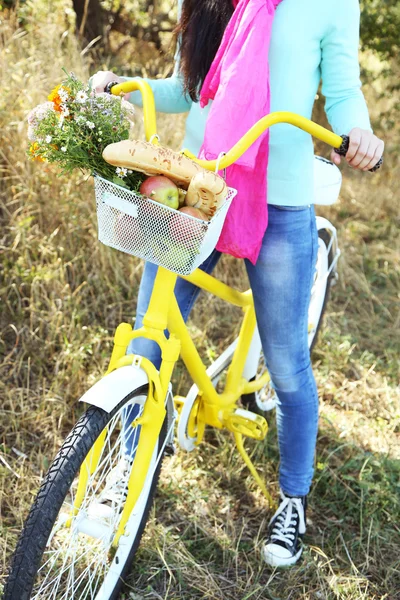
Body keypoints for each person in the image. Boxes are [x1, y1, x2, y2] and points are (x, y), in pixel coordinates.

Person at [92, 0, 384, 568]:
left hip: (279, 200)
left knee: (287, 364)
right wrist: (122, 86)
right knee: (145, 345)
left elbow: (344, 91)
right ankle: (119, 474)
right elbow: (185, 87)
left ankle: (294, 499)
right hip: (194, 187)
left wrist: (359, 132)